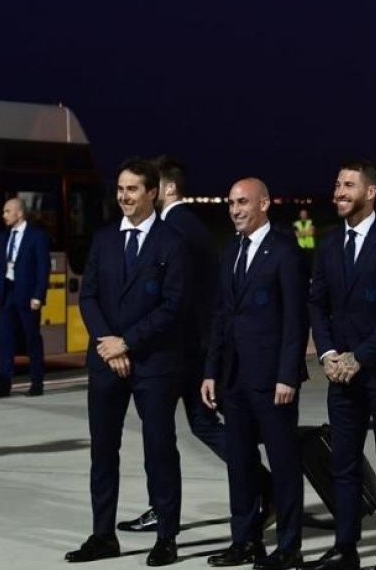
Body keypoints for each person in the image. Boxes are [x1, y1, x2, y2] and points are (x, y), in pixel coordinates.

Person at [116, 156, 272, 534]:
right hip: (195, 347)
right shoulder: (191, 226)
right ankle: (264, 483)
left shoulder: (174, 229)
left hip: (181, 349)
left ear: (167, 189)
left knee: (161, 431)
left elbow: (176, 295)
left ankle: (169, 506)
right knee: (199, 424)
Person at [299, 160, 376, 570]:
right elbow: (317, 303)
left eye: (348, 185)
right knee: (343, 464)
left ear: (371, 193)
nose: (339, 192)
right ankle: (345, 548)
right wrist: (330, 353)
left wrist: (359, 357)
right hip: (340, 374)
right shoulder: (330, 246)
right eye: (336, 185)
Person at [65, 159, 188, 568]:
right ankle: (103, 535)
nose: (124, 196)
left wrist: (127, 343)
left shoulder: (171, 242)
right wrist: (107, 344)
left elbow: (172, 306)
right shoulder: (103, 240)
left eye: (132, 189)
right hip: (105, 362)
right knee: (103, 451)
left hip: (153, 363)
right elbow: (89, 297)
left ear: (152, 192)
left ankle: (166, 536)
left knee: (159, 450)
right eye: (120, 189)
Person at [202, 178, 308, 570]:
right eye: (230, 202)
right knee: (240, 464)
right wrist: (211, 371)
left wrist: (288, 376)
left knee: (282, 463)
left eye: (242, 202)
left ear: (264, 203)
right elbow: (220, 317)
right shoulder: (230, 251)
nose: (234, 209)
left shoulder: (284, 252)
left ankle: (289, 545)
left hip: (272, 381)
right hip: (233, 379)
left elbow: (296, 321)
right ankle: (244, 540)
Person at [0, 198, 50, 398]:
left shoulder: (37, 236)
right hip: (7, 293)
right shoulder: (3, 237)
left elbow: (43, 268)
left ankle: (37, 382)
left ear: (19, 213)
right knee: (5, 340)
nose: (4, 215)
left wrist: (38, 296)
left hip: (27, 294)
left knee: (31, 338)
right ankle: (4, 385)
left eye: (7, 211)